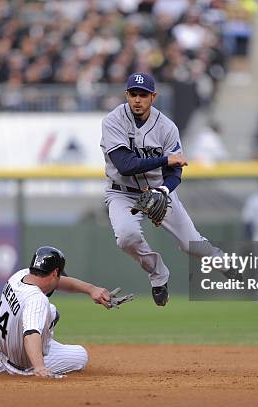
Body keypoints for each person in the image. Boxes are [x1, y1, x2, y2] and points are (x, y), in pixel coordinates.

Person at [100, 72, 225, 307]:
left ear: (153, 97)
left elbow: (176, 171)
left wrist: (165, 190)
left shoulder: (167, 127)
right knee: (127, 237)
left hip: (158, 189)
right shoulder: (113, 121)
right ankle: (158, 274)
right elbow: (126, 166)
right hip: (121, 192)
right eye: (133, 94)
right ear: (127, 95)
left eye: (143, 95)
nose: (137, 99)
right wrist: (165, 160)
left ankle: (223, 262)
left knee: (191, 244)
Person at [0, 246, 112, 378]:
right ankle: (15, 366)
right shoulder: (37, 299)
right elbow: (31, 334)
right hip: (21, 364)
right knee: (80, 355)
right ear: (55, 272)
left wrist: (92, 289)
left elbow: (60, 282)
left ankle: (0, 361)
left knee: (51, 310)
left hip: (1, 349)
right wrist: (39, 367)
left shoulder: (19, 276)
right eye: (59, 274)